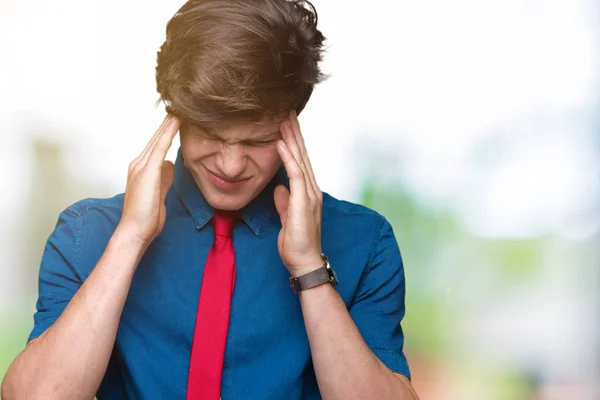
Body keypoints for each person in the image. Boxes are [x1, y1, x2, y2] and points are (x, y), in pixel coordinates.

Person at [1, 0, 419, 399]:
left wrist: (310, 268)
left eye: (258, 140)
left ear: (293, 119)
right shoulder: (87, 233)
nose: (232, 165)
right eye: (212, 135)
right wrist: (130, 238)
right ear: (174, 113)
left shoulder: (364, 243)